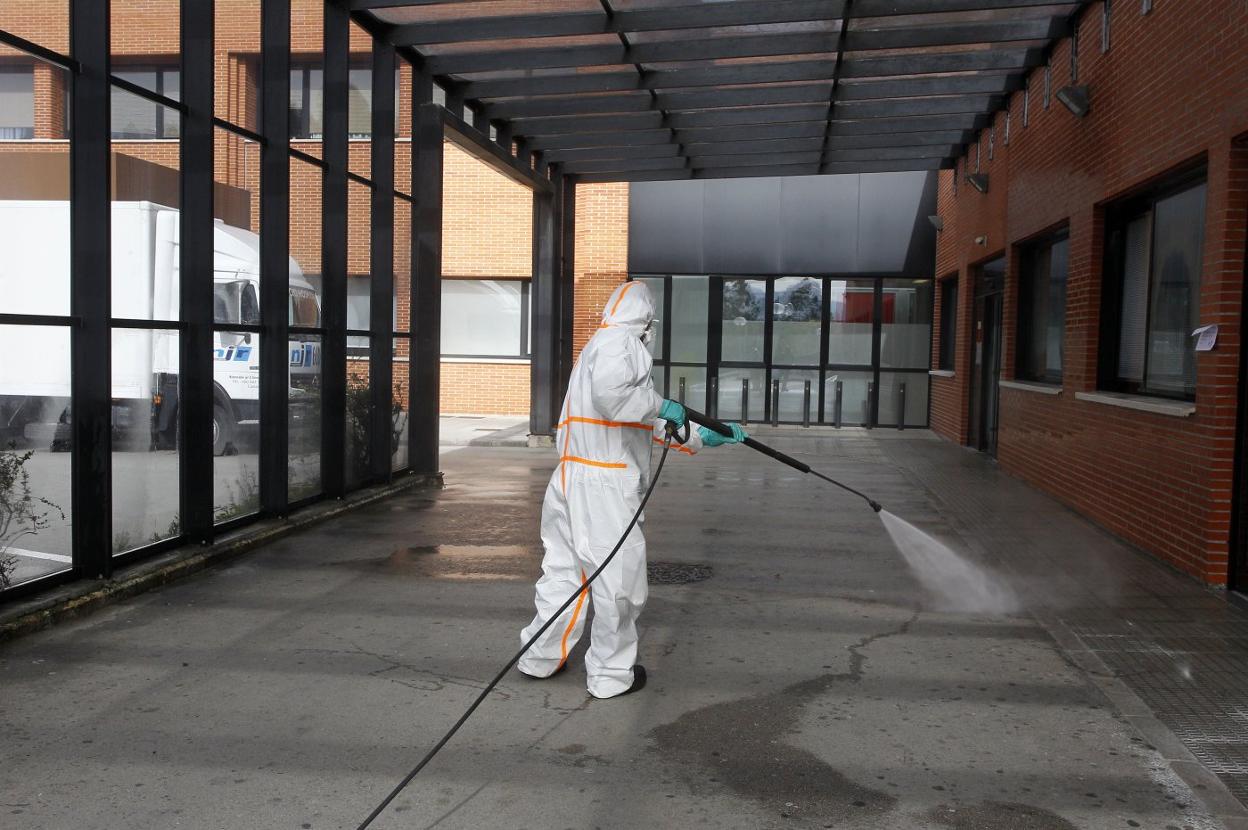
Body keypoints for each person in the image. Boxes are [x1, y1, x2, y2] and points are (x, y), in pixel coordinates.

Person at [517, 281, 748, 699]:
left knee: (564, 573)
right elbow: (618, 400)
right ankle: (609, 675)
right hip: (603, 486)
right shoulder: (621, 342)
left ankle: (540, 656)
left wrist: (700, 435)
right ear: (644, 321)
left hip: (571, 479)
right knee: (618, 583)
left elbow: (634, 419)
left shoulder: (596, 347)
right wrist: (664, 406)